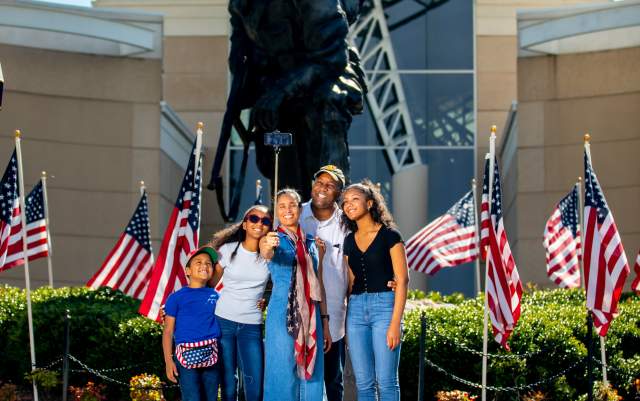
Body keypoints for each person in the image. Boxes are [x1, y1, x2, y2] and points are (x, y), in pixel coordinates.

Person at [260, 188, 331, 401]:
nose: (287, 210)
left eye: (292, 205)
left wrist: (325, 322)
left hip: (312, 312)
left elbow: (319, 283)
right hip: (283, 314)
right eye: (282, 206)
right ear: (276, 212)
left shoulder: (312, 243)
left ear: (300, 210)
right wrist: (267, 245)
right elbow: (266, 252)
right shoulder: (273, 239)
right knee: (281, 369)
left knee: (314, 373)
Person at [341, 181, 409, 401]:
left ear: (370, 203)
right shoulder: (349, 241)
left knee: (387, 382)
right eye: (345, 202)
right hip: (356, 311)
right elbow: (349, 283)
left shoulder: (390, 235)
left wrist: (395, 324)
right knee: (364, 384)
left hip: (385, 307)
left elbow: (403, 279)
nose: (348, 204)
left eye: (355, 199)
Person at [209, 205, 272, 401]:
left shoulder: (270, 256)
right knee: (228, 384)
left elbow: (280, 285)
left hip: (251, 325)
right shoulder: (227, 250)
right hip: (223, 321)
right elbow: (209, 285)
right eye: (254, 219)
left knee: (255, 385)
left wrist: (266, 300)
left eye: (265, 221)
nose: (259, 223)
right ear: (245, 224)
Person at [299, 165, 348, 401]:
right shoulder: (295, 215)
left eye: (330, 185)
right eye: (319, 182)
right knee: (300, 377)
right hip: (300, 311)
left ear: (338, 192)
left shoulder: (347, 223)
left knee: (332, 380)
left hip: (336, 314)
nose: (322, 188)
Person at [163, 246, 222, 401]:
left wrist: (260, 304)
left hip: (211, 353)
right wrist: (169, 361)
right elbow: (168, 331)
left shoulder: (217, 296)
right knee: (191, 398)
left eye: (209, 263)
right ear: (187, 271)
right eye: (198, 262)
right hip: (185, 356)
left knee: (211, 397)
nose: (204, 265)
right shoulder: (176, 298)